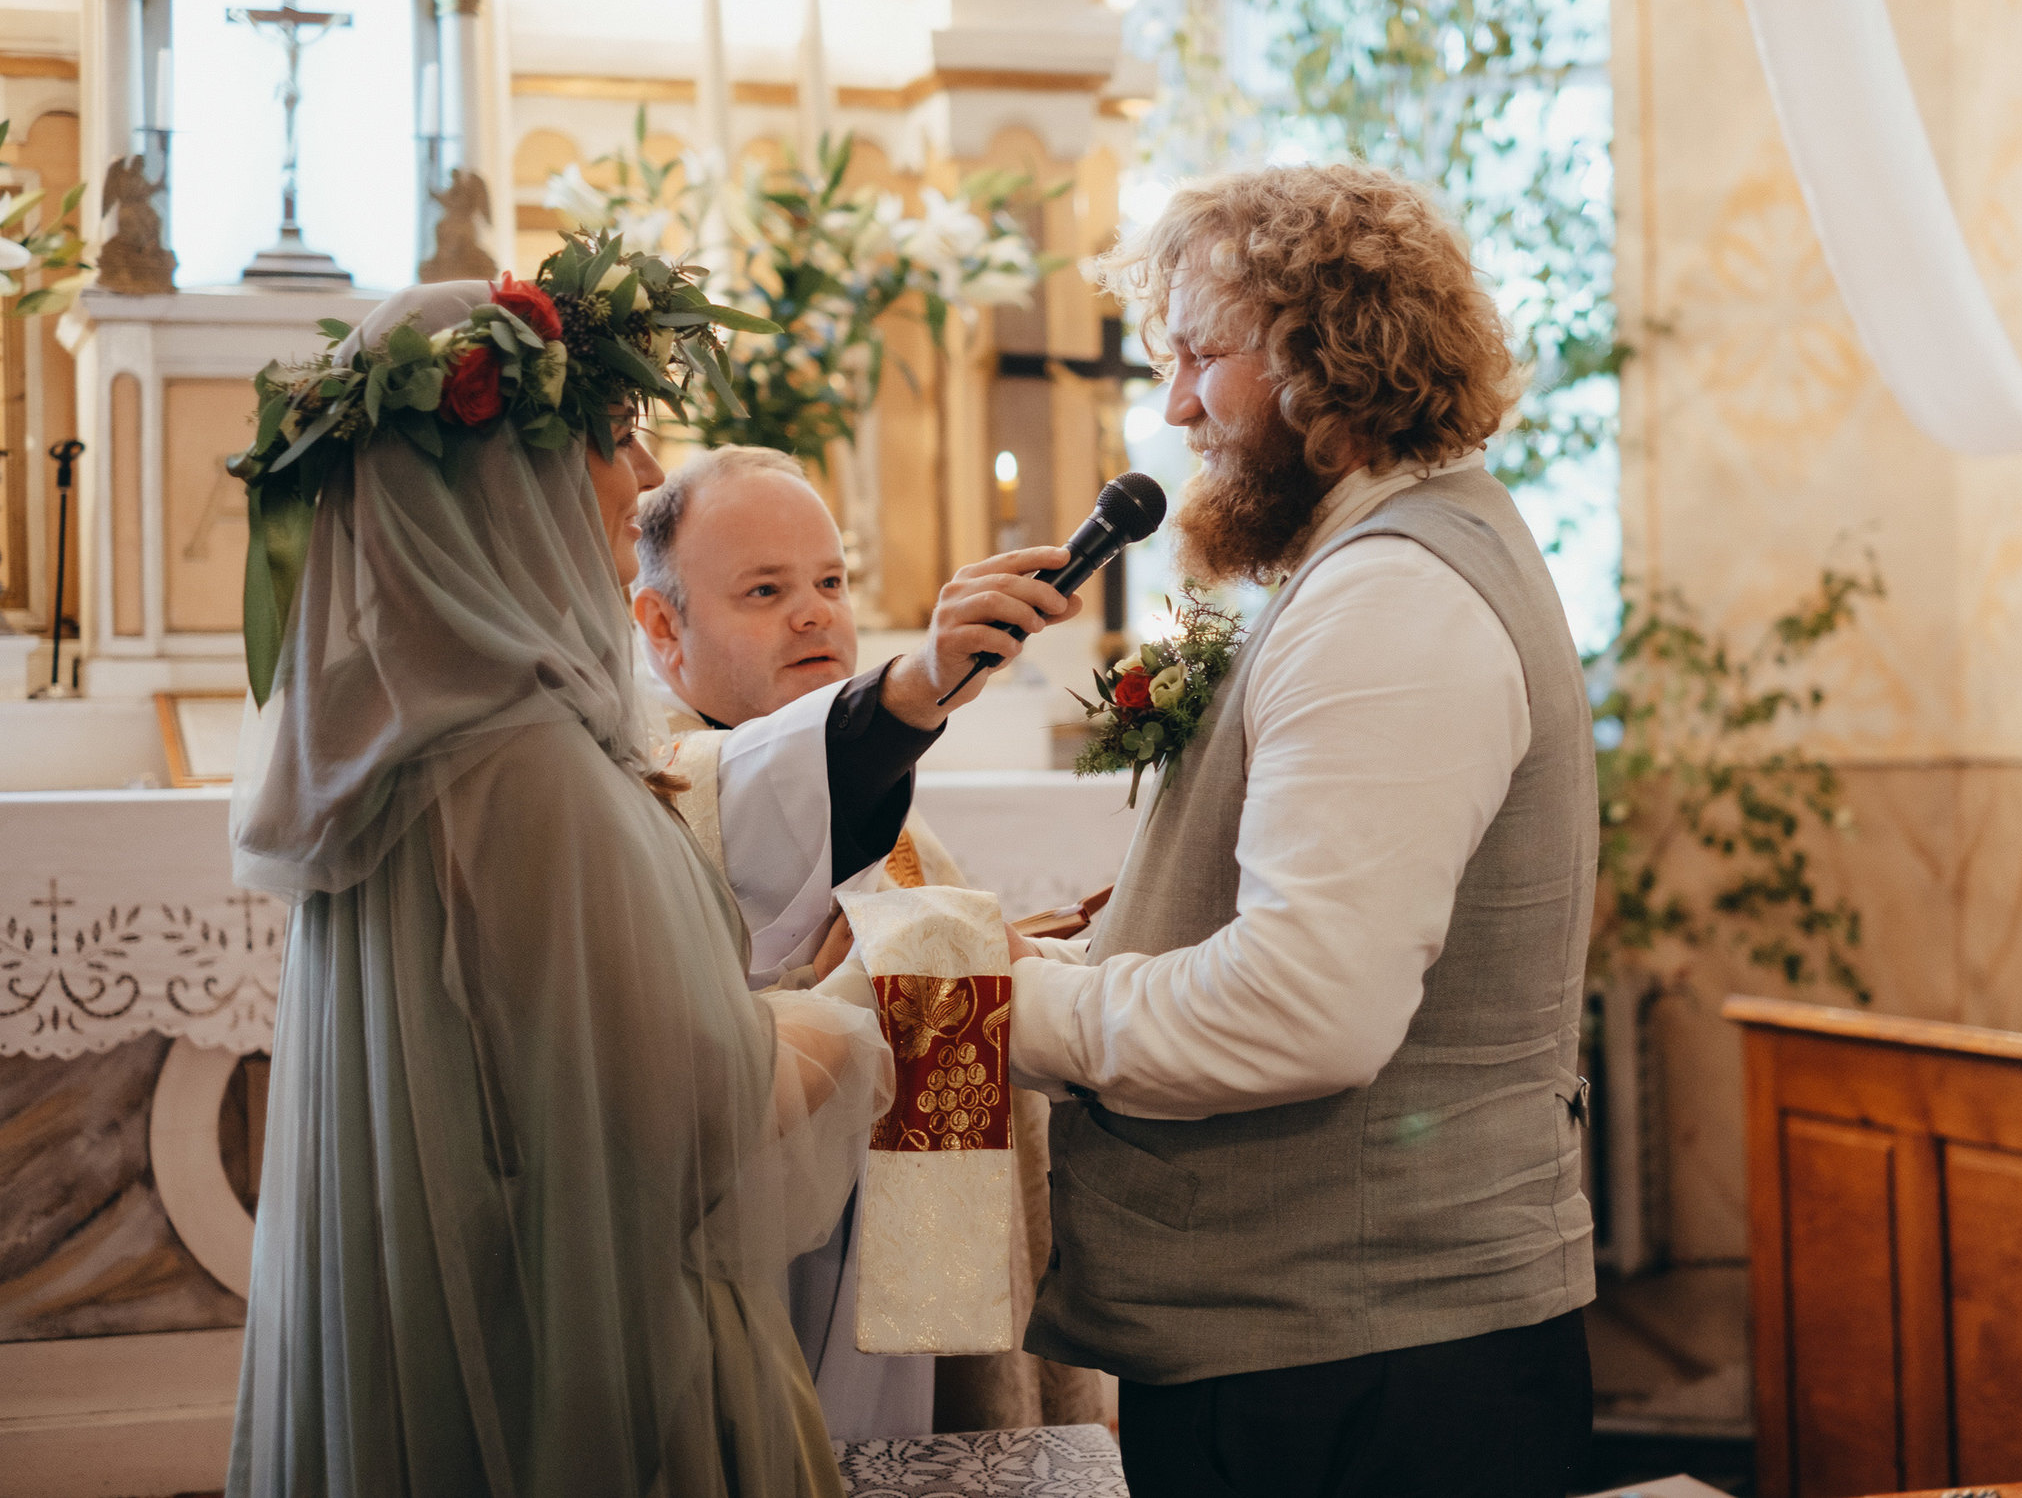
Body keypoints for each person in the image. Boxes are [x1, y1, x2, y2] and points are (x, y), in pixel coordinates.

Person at [227, 274, 891, 1498]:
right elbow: (687, 1121)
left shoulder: (393, 747)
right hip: (581, 1362)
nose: (639, 479)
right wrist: (852, 1010)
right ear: (504, 476)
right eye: (611, 437)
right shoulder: (524, 769)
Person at [1007, 162, 1600, 1495]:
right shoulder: (1377, 561)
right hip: (1335, 1352)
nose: (1174, 405)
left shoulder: (1390, 595)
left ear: (1325, 355)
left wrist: (1006, 1012)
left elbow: (1303, 1009)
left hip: (1365, 1382)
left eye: (1202, 355)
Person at [626, 443, 1096, 1438]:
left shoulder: (892, 811)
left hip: (911, 1283)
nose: (813, 613)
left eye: (829, 582)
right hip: (766, 1282)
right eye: (763, 590)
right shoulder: (653, 793)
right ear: (662, 627)